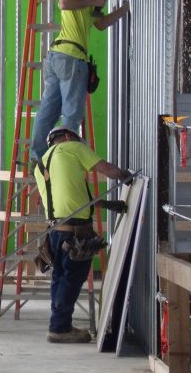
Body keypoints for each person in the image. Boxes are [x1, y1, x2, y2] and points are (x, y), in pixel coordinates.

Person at [31, 0, 130, 161]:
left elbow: (101, 23)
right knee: (72, 115)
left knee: (48, 112)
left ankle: (38, 159)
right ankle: (65, 162)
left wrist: (123, 10)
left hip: (58, 57)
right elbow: (64, 3)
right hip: (71, 58)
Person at [34, 125, 132, 344]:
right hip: (75, 231)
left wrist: (109, 204)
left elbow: (74, 199)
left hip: (55, 232)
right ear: (69, 137)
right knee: (72, 278)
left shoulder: (41, 163)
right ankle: (59, 328)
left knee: (60, 278)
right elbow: (109, 170)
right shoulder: (73, 147)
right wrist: (129, 177)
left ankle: (60, 324)